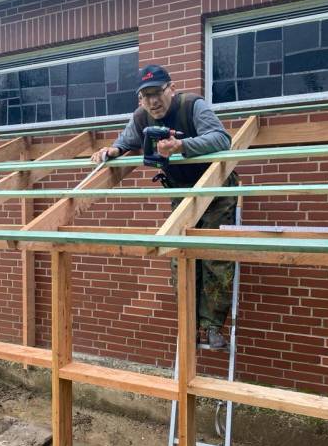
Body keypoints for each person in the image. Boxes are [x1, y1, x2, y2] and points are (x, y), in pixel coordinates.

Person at [91, 64, 237, 348]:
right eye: (146, 96)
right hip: (181, 192)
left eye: (157, 92)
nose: (153, 101)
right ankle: (190, 323)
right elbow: (126, 140)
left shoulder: (193, 106)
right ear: (140, 99)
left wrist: (182, 147)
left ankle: (213, 326)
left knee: (214, 256)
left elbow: (222, 139)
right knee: (180, 257)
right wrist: (114, 150)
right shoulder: (140, 116)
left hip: (216, 191)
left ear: (170, 88)